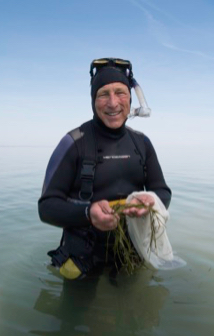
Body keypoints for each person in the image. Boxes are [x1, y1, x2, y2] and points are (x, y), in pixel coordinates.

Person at [38, 58, 171, 279]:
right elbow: (46, 207)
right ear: (93, 100)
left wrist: (151, 202)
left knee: (137, 311)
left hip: (131, 254)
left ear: (130, 98)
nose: (113, 103)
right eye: (103, 94)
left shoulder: (142, 143)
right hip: (83, 257)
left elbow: (163, 192)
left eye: (120, 92)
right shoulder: (73, 143)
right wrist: (88, 213)